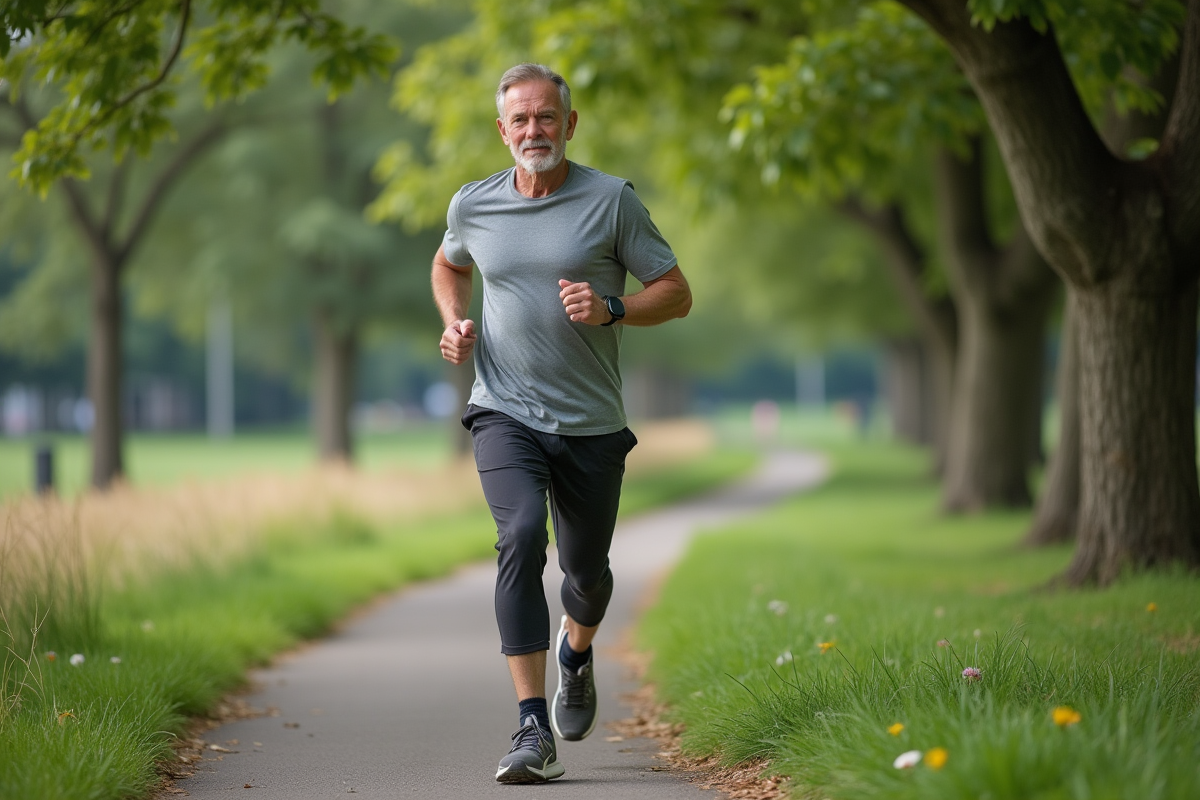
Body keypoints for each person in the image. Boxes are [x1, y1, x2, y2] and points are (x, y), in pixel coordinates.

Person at [431, 63, 692, 784]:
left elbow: (676, 292)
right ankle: (531, 728)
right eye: (520, 119)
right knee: (519, 536)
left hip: (590, 422)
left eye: (546, 117)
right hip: (503, 408)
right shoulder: (474, 204)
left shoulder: (611, 202)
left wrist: (613, 309)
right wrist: (454, 321)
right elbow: (448, 265)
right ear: (502, 130)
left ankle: (576, 652)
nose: (533, 130)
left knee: (587, 576)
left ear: (569, 124)